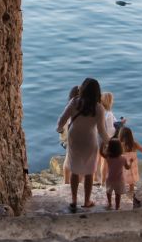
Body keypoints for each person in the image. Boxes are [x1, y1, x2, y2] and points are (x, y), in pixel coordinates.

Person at [57, 77, 110, 212]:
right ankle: (87, 201)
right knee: (89, 172)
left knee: (74, 169)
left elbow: (62, 119)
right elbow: (101, 130)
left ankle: (74, 200)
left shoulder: (74, 102)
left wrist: (59, 128)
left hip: (74, 138)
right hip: (89, 140)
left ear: (83, 90)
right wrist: (110, 141)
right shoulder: (99, 108)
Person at [118, 127, 142, 207]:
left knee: (122, 182)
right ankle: (131, 198)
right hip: (132, 169)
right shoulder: (134, 144)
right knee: (131, 184)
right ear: (130, 135)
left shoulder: (119, 145)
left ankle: (121, 198)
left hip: (123, 168)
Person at [100, 138, 133, 210]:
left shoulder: (108, 157)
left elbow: (101, 153)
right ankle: (117, 206)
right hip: (119, 180)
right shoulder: (123, 158)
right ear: (120, 148)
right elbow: (127, 167)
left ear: (109, 148)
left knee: (108, 191)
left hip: (109, 178)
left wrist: (102, 143)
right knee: (118, 194)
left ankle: (109, 203)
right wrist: (130, 162)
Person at [95, 92, 117, 184]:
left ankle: (94, 177)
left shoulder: (97, 111)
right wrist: (118, 128)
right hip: (105, 140)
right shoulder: (109, 114)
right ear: (109, 102)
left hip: (96, 138)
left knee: (97, 159)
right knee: (105, 161)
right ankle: (103, 182)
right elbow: (110, 130)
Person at [60, 85, 80, 184]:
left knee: (68, 159)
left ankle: (66, 182)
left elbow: (61, 124)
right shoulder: (78, 108)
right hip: (74, 139)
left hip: (66, 139)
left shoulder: (68, 107)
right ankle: (78, 183)